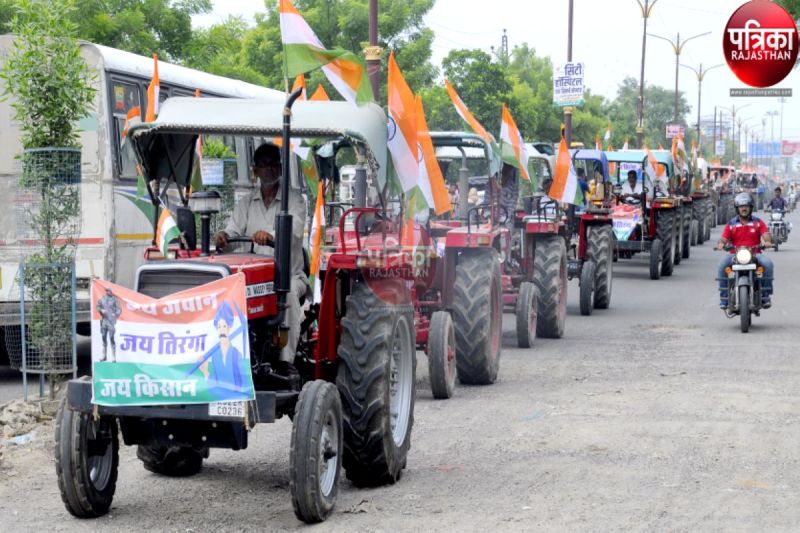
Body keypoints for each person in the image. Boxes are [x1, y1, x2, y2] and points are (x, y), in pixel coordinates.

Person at [214, 143, 307, 375]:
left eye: (273, 164)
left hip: (287, 276)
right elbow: (233, 231)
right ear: (254, 170)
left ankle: (285, 362)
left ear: (281, 168)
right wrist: (224, 237)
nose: (269, 169)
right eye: (263, 165)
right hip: (253, 281)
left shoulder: (295, 200)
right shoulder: (246, 202)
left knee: (288, 294)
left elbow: (294, 232)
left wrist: (271, 236)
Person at [716, 193, 774, 309]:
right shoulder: (731, 224)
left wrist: (767, 241)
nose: (744, 208)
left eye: (746, 206)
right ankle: (724, 298)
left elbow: (766, 234)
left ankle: (765, 296)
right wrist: (721, 244)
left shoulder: (758, 222)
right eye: (741, 206)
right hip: (735, 254)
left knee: (768, 264)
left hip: (755, 253)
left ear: (751, 207)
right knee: (721, 266)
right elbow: (723, 238)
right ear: (737, 208)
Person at [199, 301, 248, 399]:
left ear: (229, 328)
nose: (221, 330)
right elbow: (213, 387)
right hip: (220, 399)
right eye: (218, 327)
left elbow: (244, 384)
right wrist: (205, 373)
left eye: (224, 326)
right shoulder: (215, 356)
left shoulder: (236, 354)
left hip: (237, 398)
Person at [97, 288, 122, 362]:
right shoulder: (102, 299)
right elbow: (98, 306)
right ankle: (104, 355)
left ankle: (113, 356)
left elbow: (119, 309)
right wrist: (101, 310)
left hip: (111, 321)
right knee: (103, 337)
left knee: (111, 338)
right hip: (104, 320)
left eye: (110, 290)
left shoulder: (115, 299)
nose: (108, 292)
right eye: (107, 290)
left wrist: (115, 314)